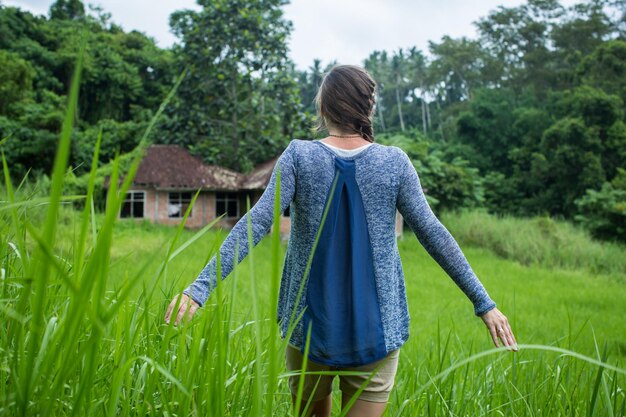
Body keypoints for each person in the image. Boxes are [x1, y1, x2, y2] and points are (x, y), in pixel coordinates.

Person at [164, 64, 518, 417]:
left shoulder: (299, 156)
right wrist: (484, 303)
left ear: (323, 108)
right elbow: (433, 233)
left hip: (308, 327)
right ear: (369, 107)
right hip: (377, 332)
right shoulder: (394, 162)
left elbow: (256, 223)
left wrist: (199, 289)